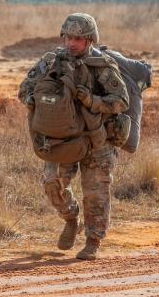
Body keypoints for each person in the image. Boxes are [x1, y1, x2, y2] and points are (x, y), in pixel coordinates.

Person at [18, 13, 129, 260]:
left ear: (90, 40)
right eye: (68, 37)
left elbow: (121, 101)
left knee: (96, 193)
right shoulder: (51, 62)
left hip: (97, 140)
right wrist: (36, 101)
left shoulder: (103, 66)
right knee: (52, 184)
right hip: (62, 140)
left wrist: (92, 101)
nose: (71, 43)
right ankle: (71, 218)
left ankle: (92, 241)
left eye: (78, 38)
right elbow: (25, 88)